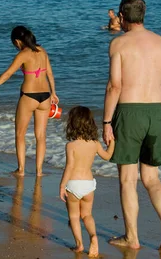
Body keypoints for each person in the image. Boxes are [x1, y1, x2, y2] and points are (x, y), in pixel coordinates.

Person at [102, 0, 161, 253]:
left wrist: (107, 121)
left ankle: (132, 236)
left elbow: (115, 86)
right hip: (155, 112)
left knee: (127, 179)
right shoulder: (160, 42)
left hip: (129, 111)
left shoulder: (119, 43)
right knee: (152, 178)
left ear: (122, 17)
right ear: (143, 15)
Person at [0, 26, 59, 176]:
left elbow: (7, 74)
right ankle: (39, 171)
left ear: (17, 41)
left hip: (29, 96)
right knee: (41, 135)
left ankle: (21, 170)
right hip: (45, 97)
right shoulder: (42, 51)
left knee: (20, 134)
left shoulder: (23, 55)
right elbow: (50, 74)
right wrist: (54, 93)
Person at [60, 106, 115, 257]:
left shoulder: (70, 145)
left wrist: (62, 185)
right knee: (87, 215)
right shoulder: (95, 144)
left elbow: (70, 166)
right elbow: (108, 156)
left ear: (72, 124)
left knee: (74, 216)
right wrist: (112, 142)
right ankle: (93, 236)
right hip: (89, 185)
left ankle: (79, 245)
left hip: (73, 184)